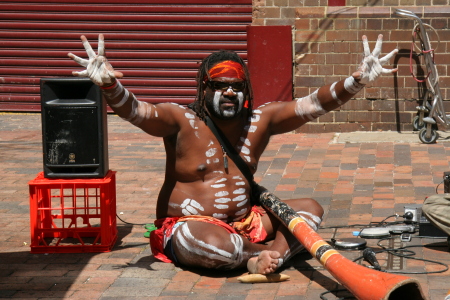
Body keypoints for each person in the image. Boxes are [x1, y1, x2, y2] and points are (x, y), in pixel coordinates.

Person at [68, 34, 398, 274]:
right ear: (205, 88)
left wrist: (355, 82)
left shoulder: (260, 120)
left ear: (246, 91)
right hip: (193, 226)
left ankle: (266, 257)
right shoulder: (181, 120)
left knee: (310, 210)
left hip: (245, 223)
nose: (230, 92)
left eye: (237, 86)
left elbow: (311, 105)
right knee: (211, 245)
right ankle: (263, 255)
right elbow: (139, 112)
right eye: (221, 84)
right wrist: (110, 86)